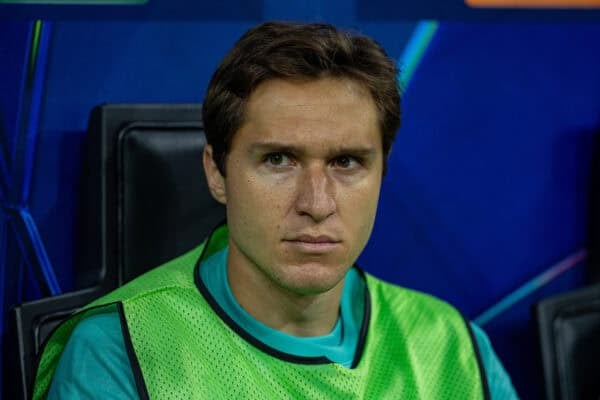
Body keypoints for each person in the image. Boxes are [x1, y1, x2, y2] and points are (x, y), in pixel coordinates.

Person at [34, 22, 518, 399]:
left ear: (382, 173)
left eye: (347, 162)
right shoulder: (118, 352)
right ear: (217, 173)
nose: (317, 204)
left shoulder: (454, 346)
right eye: (278, 160)